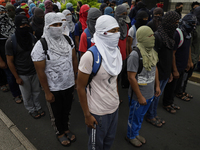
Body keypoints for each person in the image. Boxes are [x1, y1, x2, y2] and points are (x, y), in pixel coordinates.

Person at [31, 12, 78, 146]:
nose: (58, 27)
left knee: (67, 109)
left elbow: (74, 59)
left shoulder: (68, 40)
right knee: (56, 112)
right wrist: (47, 92)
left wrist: (75, 78)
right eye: (54, 25)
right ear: (47, 26)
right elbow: (40, 71)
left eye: (60, 24)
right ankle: (60, 132)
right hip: (54, 88)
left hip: (68, 84)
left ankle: (66, 128)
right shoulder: (41, 46)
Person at [77, 15, 122, 150]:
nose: (117, 34)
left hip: (114, 108)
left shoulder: (116, 52)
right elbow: (80, 87)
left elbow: (115, 79)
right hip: (98, 113)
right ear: (103, 32)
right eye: (112, 31)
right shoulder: (90, 57)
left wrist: (117, 100)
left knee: (108, 143)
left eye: (117, 30)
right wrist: (87, 115)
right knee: (96, 146)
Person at [126, 26, 160, 147]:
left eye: (152, 35)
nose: (152, 38)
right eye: (149, 36)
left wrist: (157, 86)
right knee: (134, 117)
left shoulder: (152, 51)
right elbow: (131, 77)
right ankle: (130, 136)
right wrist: (139, 96)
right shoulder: (135, 55)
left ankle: (135, 133)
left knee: (140, 118)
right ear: (142, 38)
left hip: (150, 93)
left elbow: (155, 68)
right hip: (138, 96)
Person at [5, 15, 44, 118]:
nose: (25, 26)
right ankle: (31, 109)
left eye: (27, 24)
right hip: (22, 73)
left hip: (34, 71)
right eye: (22, 25)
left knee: (36, 92)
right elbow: (10, 61)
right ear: (17, 26)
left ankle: (37, 106)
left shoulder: (32, 37)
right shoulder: (11, 41)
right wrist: (17, 77)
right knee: (26, 95)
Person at [146, 11, 180, 126]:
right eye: (175, 22)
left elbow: (169, 56)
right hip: (158, 73)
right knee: (155, 96)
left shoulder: (170, 35)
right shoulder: (157, 36)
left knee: (157, 96)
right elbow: (153, 60)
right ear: (169, 22)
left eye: (178, 22)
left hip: (165, 72)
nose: (177, 25)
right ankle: (150, 116)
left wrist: (170, 71)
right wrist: (156, 81)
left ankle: (154, 114)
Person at [162, 14, 196, 113]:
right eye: (191, 24)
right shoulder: (178, 34)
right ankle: (167, 103)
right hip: (176, 65)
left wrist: (189, 61)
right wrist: (175, 70)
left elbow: (188, 47)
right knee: (171, 86)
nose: (193, 26)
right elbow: (173, 53)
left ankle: (171, 101)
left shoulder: (188, 34)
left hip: (182, 65)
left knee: (176, 86)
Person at [0, 5, 22, 104]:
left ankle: (21, 91)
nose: (3, 15)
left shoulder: (11, 23)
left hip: (15, 54)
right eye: (1, 13)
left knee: (17, 74)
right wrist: (0, 60)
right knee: (11, 76)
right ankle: (16, 94)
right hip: (4, 56)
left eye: (5, 13)